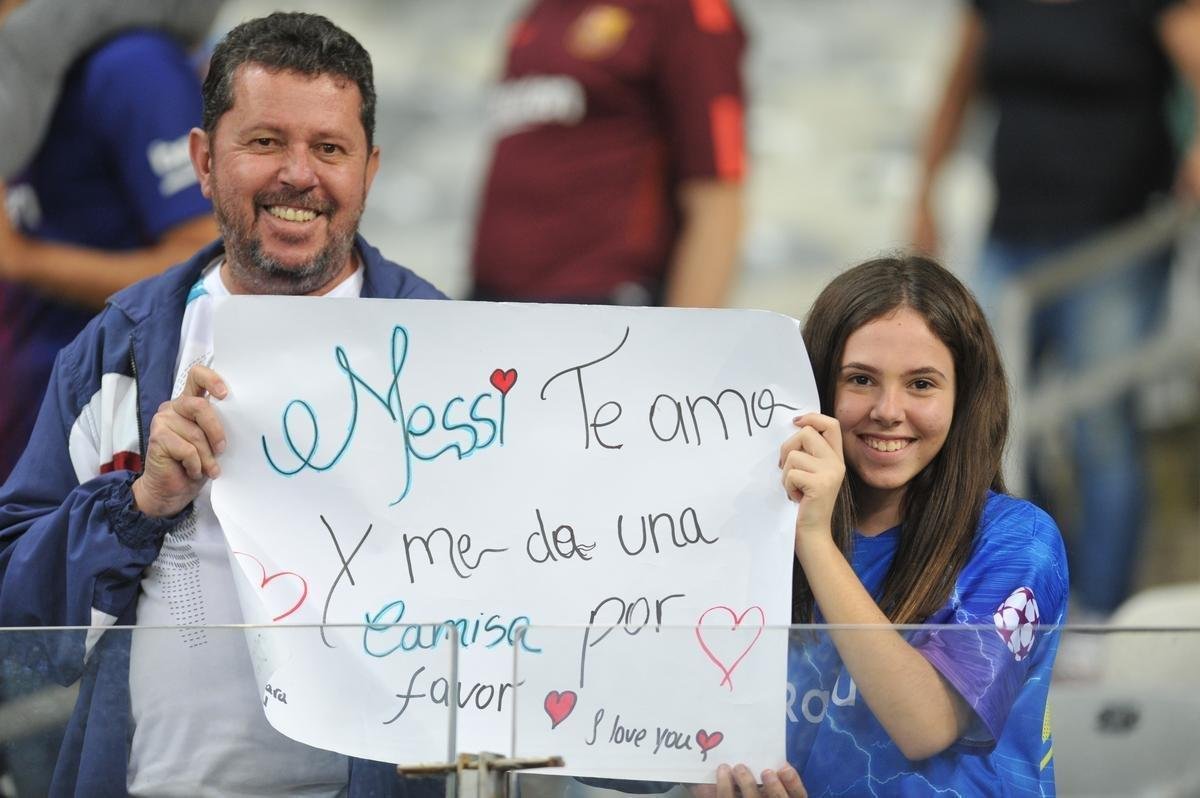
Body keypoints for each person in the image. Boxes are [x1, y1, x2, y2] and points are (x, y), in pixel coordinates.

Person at [0, 12, 444, 796]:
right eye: (265, 141)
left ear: (369, 169)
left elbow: (549, 605)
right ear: (204, 161)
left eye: (329, 148)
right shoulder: (118, 355)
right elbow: (16, 636)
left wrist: (694, 754)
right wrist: (139, 503)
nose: (298, 175)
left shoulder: (450, 359)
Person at [910, 0, 1200, 620]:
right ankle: (1007, 597)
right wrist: (924, 190)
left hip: (1114, 241)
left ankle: (1098, 611)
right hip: (1010, 237)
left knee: (1100, 428)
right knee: (988, 421)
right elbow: (958, 86)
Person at [779, 255, 1068, 795]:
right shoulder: (760, 534)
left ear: (964, 400)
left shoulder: (1020, 541)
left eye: (921, 384)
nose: (888, 410)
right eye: (861, 379)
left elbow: (925, 724)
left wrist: (814, 539)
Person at [0, 0, 223, 483]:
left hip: (96, 452)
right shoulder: (26, 67)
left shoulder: (132, 67)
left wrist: (22, 260)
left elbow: (206, 257)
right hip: (26, 433)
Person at [469, 0, 746, 308]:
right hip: (494, 302)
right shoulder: (544, 9)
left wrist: (687, 343)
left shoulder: (683, 10)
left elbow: (717, 198)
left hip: (602, 307)